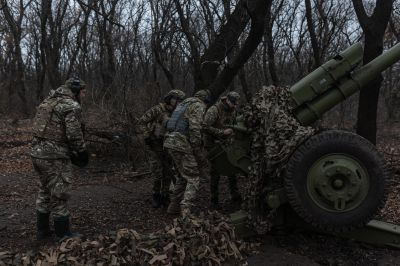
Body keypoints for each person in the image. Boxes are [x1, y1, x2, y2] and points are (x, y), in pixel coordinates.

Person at [31, 77, 88, 241]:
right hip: (54, 156)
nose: (84, 96)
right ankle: (63, 235)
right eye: (83, 92)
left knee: (44, 190)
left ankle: (43, 231)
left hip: (37, 153)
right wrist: (81, 152)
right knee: (59, 193)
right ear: (76, 91)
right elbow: (74, 134)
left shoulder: (47, 102)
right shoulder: (71, 105)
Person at [164, 89, 211, 215]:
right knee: (194, 177)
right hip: (181, 143)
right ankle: (185, 209)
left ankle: (173, 207)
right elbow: (195, 128)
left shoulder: (183, 104)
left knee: (183, 176)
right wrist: (197, 148)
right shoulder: (198, 105)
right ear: (205, 100)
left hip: (170, 141)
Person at [137, 90, 186, 208]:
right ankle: (156, 195)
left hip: (168, 145)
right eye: (177, 100)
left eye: (181, 101)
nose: (179, 103)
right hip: (154, 145)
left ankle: (165, 196)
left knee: (168, 172)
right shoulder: (157, 109)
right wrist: (146, 135)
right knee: (158, 172)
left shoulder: (177, 113)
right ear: (170, 99)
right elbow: (141, 122)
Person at [203, 91, 242, 209]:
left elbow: (234, 124)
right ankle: (214, 200)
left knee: (232, 167)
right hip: (212, 144)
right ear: (228, 100)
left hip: (226, 143)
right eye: (233, 103)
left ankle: (235, 195)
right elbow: (204, 126)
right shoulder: (214, 110)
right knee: (215, 171)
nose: (235, 106)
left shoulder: (233, 110)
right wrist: (221, 132)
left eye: (236, 104)